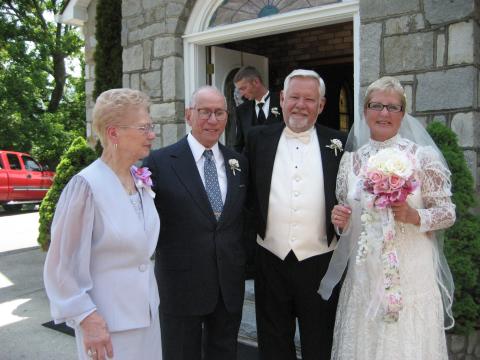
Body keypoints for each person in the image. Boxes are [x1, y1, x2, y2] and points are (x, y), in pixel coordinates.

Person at [319, 76, 456, 359]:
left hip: (410, 276)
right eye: (376, 105)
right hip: (364, 277)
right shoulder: (349, 163)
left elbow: (447, 213)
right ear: (365, 111)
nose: (384, 113)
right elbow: (347, 214)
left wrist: (413, 215)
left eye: (393, 107)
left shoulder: (423, 157)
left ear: (403, 114)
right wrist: (340, 220)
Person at [44, 88, 161, 360]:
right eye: (144, 128)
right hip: (106, 328)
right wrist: (87, 318)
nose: (152, 134)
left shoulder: (139, 180)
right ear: (113, 133)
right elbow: (62, 266)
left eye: (151, 127)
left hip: (148, 318)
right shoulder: (85, 187)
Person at [245, 69, 347, 360]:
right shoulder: (256, 139)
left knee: (320, 342)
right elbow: (246, 194)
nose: (300, 105)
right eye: (294, 97)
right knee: (273, 341)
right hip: (270, 259)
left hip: (320, 262)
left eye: (309, 99)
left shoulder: (339, 145)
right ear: (282, 98)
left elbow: (351, 200)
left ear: (322, 105)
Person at [144, 86, 248, 360]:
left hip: (227, 287)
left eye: (219, 112)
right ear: (189, 115)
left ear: (227, 117)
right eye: (204, 112)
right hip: (180, 286)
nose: (212, 120)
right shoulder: (159, 162)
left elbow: (243, 221)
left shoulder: (239, 163)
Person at [233, 65, 283, 153]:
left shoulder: (282, 102)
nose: (241, 94)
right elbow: (239, 145)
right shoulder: (241, 111)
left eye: (243, 88)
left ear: (256, 82)